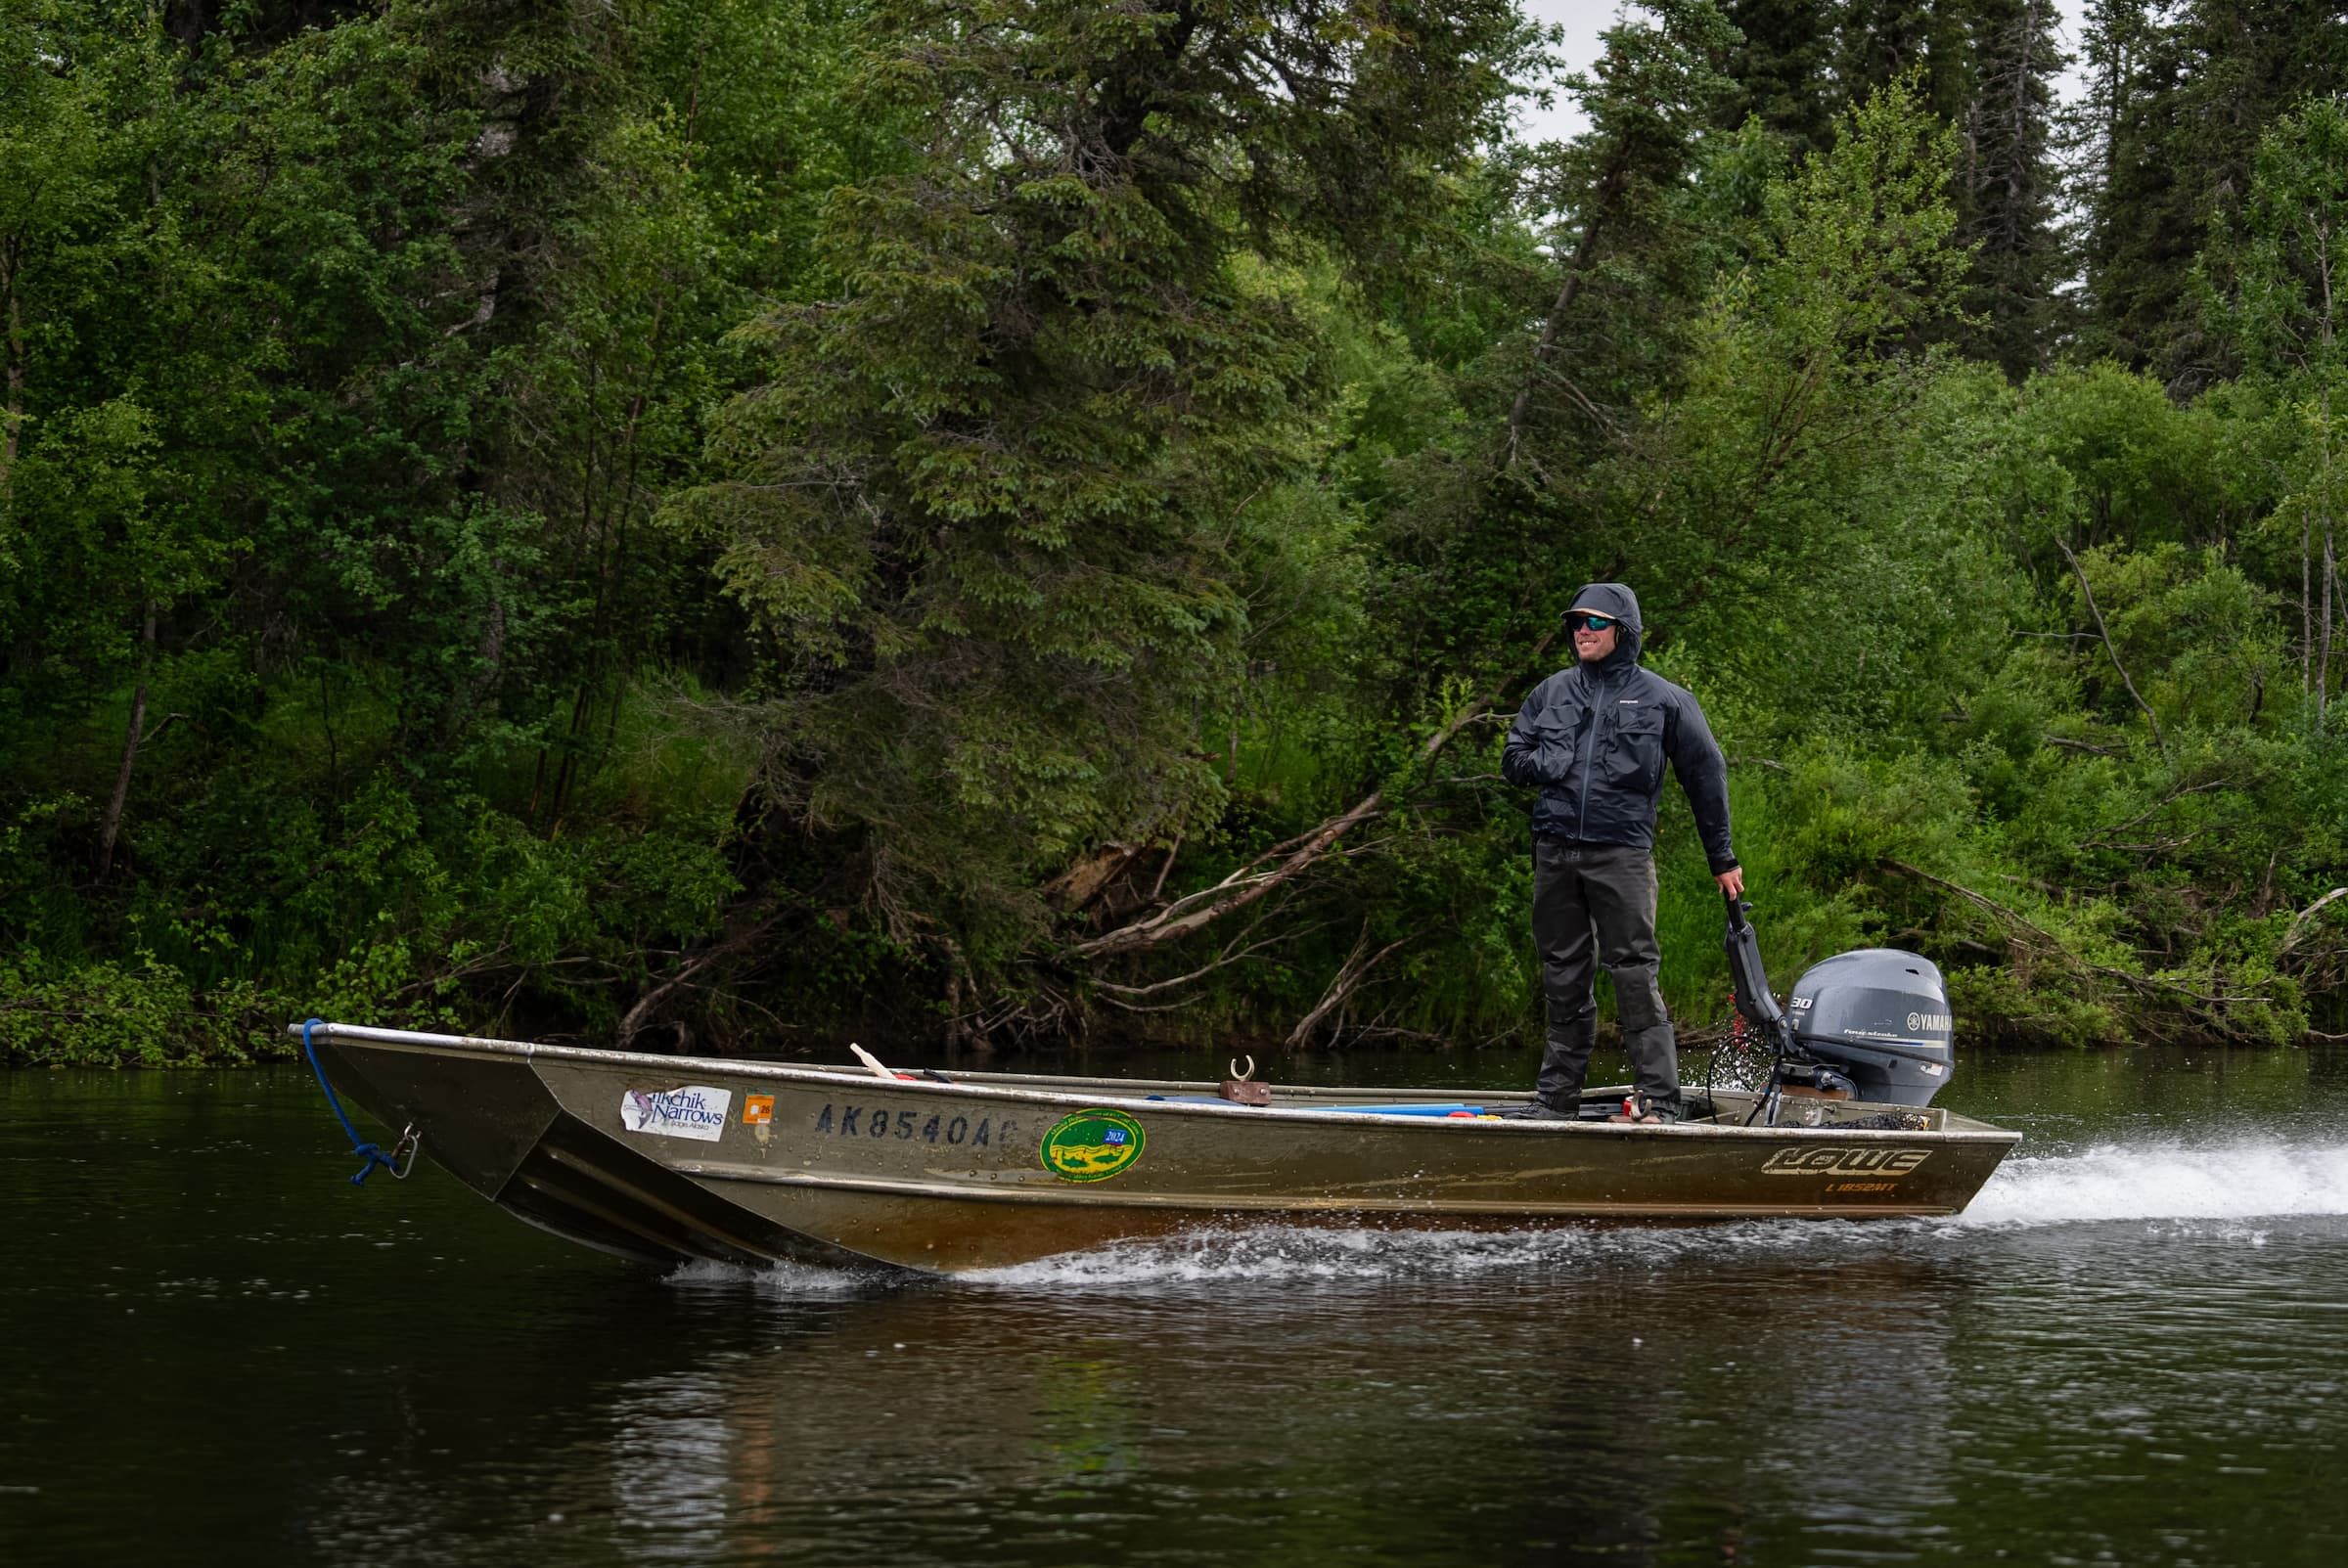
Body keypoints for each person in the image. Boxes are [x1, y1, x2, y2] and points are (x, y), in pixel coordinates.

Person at [1499, 583, 1741, 1123]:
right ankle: (1554, 1101)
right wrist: (1550, 758)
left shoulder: (1665, 698)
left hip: (1623, 855)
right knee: (1562, 976)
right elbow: (1513, 760)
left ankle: (1659, 1102)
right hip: (1555, 852)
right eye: (1577, 623)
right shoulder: (1551, 692)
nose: (1583, 630)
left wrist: (1721, 858)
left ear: (1623, 632)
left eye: (1596, 622)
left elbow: (1707, 777)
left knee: (1633, 973)